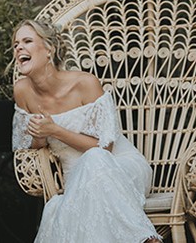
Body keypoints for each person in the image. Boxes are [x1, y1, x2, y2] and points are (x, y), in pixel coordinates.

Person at [11, 19, 163, 243]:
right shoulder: (22, 90)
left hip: (119, 167)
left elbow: (105, 147)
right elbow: (31, 148)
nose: (18, 48)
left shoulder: (85, 83)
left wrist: (56, 129)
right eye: (15, 44)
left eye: (27, 41)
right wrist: (39, 135)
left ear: (48, 49)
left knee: (94, 158)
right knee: (75, 200)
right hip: (75, 179)